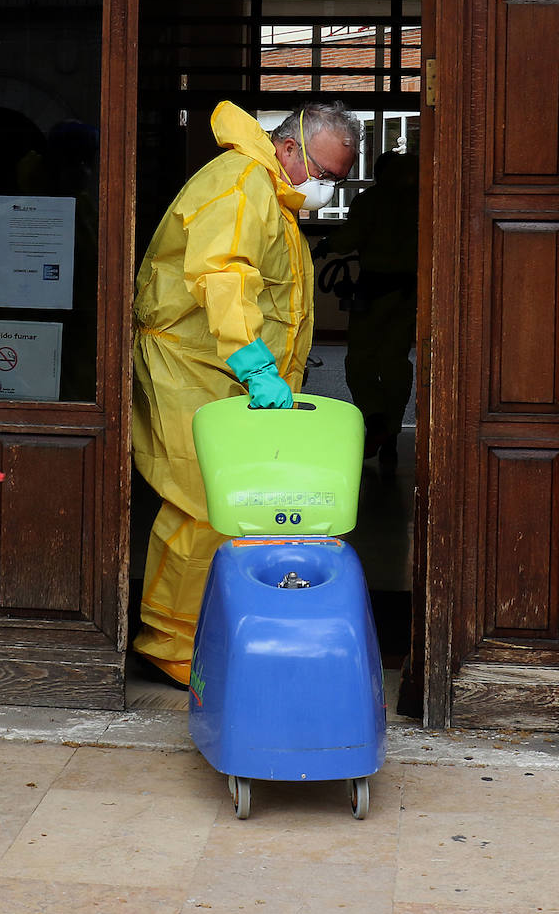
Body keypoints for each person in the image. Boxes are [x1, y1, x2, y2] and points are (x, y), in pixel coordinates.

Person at [131, 100, 360, 687]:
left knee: (232, 507)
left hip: (221, 374)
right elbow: (224, 276)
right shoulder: (240, 183)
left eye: (337, 180)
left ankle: (200, 631)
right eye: (327, 175)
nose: (327, 190)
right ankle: (169, 644)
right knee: (205, 505)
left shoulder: (267, 189)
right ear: (290, 148)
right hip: (192, 366)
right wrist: (256, 365)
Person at [319, 146, 420, 474]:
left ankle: (375, 418)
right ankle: (390, 433)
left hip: (373, 292)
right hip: (407, 293)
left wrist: (324, 247)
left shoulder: (370, 201)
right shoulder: (423, 202)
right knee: (395, 363)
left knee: (360, 360)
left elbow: (348, 239)